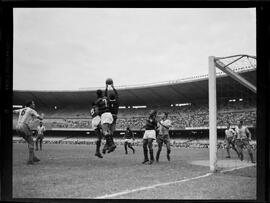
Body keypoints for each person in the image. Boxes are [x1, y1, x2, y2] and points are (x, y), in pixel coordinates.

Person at [94, 89, 116, 154]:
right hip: (110, 115)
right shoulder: (106, 98)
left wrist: (98, 113)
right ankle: (109, 145)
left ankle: (112, 144)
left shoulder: (97, 101)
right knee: (108, 132)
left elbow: (97, 112)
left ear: (97, 94)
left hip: (104, 115)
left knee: (105, 132)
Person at [105, 82, 119, 152]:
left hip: (109, 117)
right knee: (111, 132)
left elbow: (105, 96)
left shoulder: (108, 102)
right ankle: (109, 144)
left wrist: (106, 87)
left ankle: (109, 144)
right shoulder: (117, 102)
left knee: (107, 131)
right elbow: (117, 95)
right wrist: (113, 87)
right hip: (115, 117)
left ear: (109, 97)